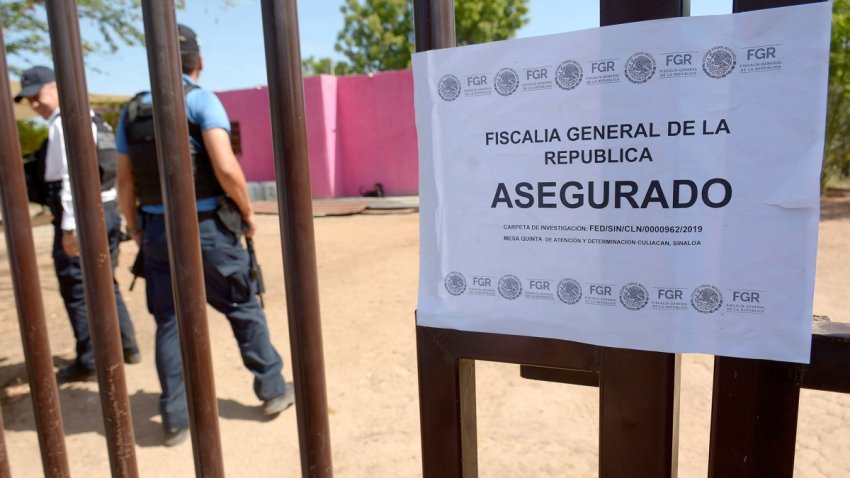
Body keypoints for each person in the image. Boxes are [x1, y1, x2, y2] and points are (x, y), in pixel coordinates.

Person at [115, 24, 294, 447]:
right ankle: (271, 391)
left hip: (157, 231)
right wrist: (248, 213)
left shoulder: (133, 112)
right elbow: (226, 168)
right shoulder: (199, 99)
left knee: (170, 322)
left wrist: (137, 226)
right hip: (208, 228)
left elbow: (124, 183)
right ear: (198, 62)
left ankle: (176, 417)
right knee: (242, 307)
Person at [14, 66, 141, 383]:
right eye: (28, 99)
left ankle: (89, 360)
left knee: (77, 288)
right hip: (106, 210)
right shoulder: (96, 119)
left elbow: (73, 177)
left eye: (37, 96)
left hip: (82, 216)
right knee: (103, 281)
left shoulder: (64, 123)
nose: (34, 105)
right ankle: (126, 346)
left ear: (56, 88)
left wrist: (70, 227)